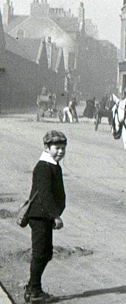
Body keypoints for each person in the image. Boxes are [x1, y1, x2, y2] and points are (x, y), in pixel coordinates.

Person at [24, 130, 67, 304]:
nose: (60, 151)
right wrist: (55, 215)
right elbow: (45, 195)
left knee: (46, 253)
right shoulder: (43, 167)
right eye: (57, 148)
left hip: (45, 216)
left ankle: (32, 287)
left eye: (63, 148)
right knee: (40, 253)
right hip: (39, 216)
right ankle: (34, 292)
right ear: (47, 147)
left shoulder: (54, 165)